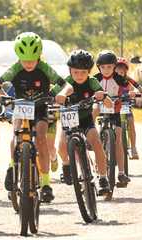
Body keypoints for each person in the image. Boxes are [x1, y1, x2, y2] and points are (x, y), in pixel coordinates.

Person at [0, 32, 73, 203]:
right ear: (19, 57)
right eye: (25, 60)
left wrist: (61, 94)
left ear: (38, 56)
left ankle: (45, 184)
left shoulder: (44, 68)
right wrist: (2, 96)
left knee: (42, 138)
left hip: (40, 106)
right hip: (21, 106)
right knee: (16, 132)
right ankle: (12, 166)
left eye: (32, 60)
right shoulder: (15, 68)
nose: (28, 64)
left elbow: (66, 84)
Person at [54, 50, 112, 195]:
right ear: (70, 71)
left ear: (89, 72)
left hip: (86, 119)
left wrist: (103, 96)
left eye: (83, 72)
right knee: (61, 147)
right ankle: (67, 165)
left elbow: (109, 103)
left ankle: (103, 178)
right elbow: (52, 95)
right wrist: (56, 97)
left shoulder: (92, 82)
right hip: (69, 119)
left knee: (97, 143)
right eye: (76, 72)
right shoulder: (66, 82)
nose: (79, 76)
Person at [93, 50, 131, 187]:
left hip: (115, 110)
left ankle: (121, 172)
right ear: (99, 67)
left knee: (119, 138)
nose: (106, 70)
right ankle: (89, 132)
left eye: (109, 67)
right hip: (100, 108)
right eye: (103, 67)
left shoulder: (119, 78)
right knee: (94, 109)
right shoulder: (95, 78)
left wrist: (133, 93)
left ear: (114, 67)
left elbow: (129, 85)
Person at [115, 57, 142, 160]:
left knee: (130, 121)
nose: (120, 73)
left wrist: (138, 94)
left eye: (122, 71)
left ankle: (133, 147)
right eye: (118, 70)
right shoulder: (112, 79)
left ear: (126, 71)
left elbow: (139, 89)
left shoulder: (128, 80)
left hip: (126, 105)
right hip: (114, 106)